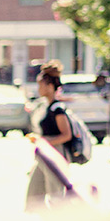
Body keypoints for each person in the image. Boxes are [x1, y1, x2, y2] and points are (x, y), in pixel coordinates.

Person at [26, 61, 75, 209]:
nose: (38, 89)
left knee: (55, 196)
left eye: (40, 85)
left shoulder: (57, 109)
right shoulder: (47, 106)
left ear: (49, 86)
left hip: (55, 155)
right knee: (34, 197)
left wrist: (45, 142)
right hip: (45, 155)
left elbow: (67, 135)